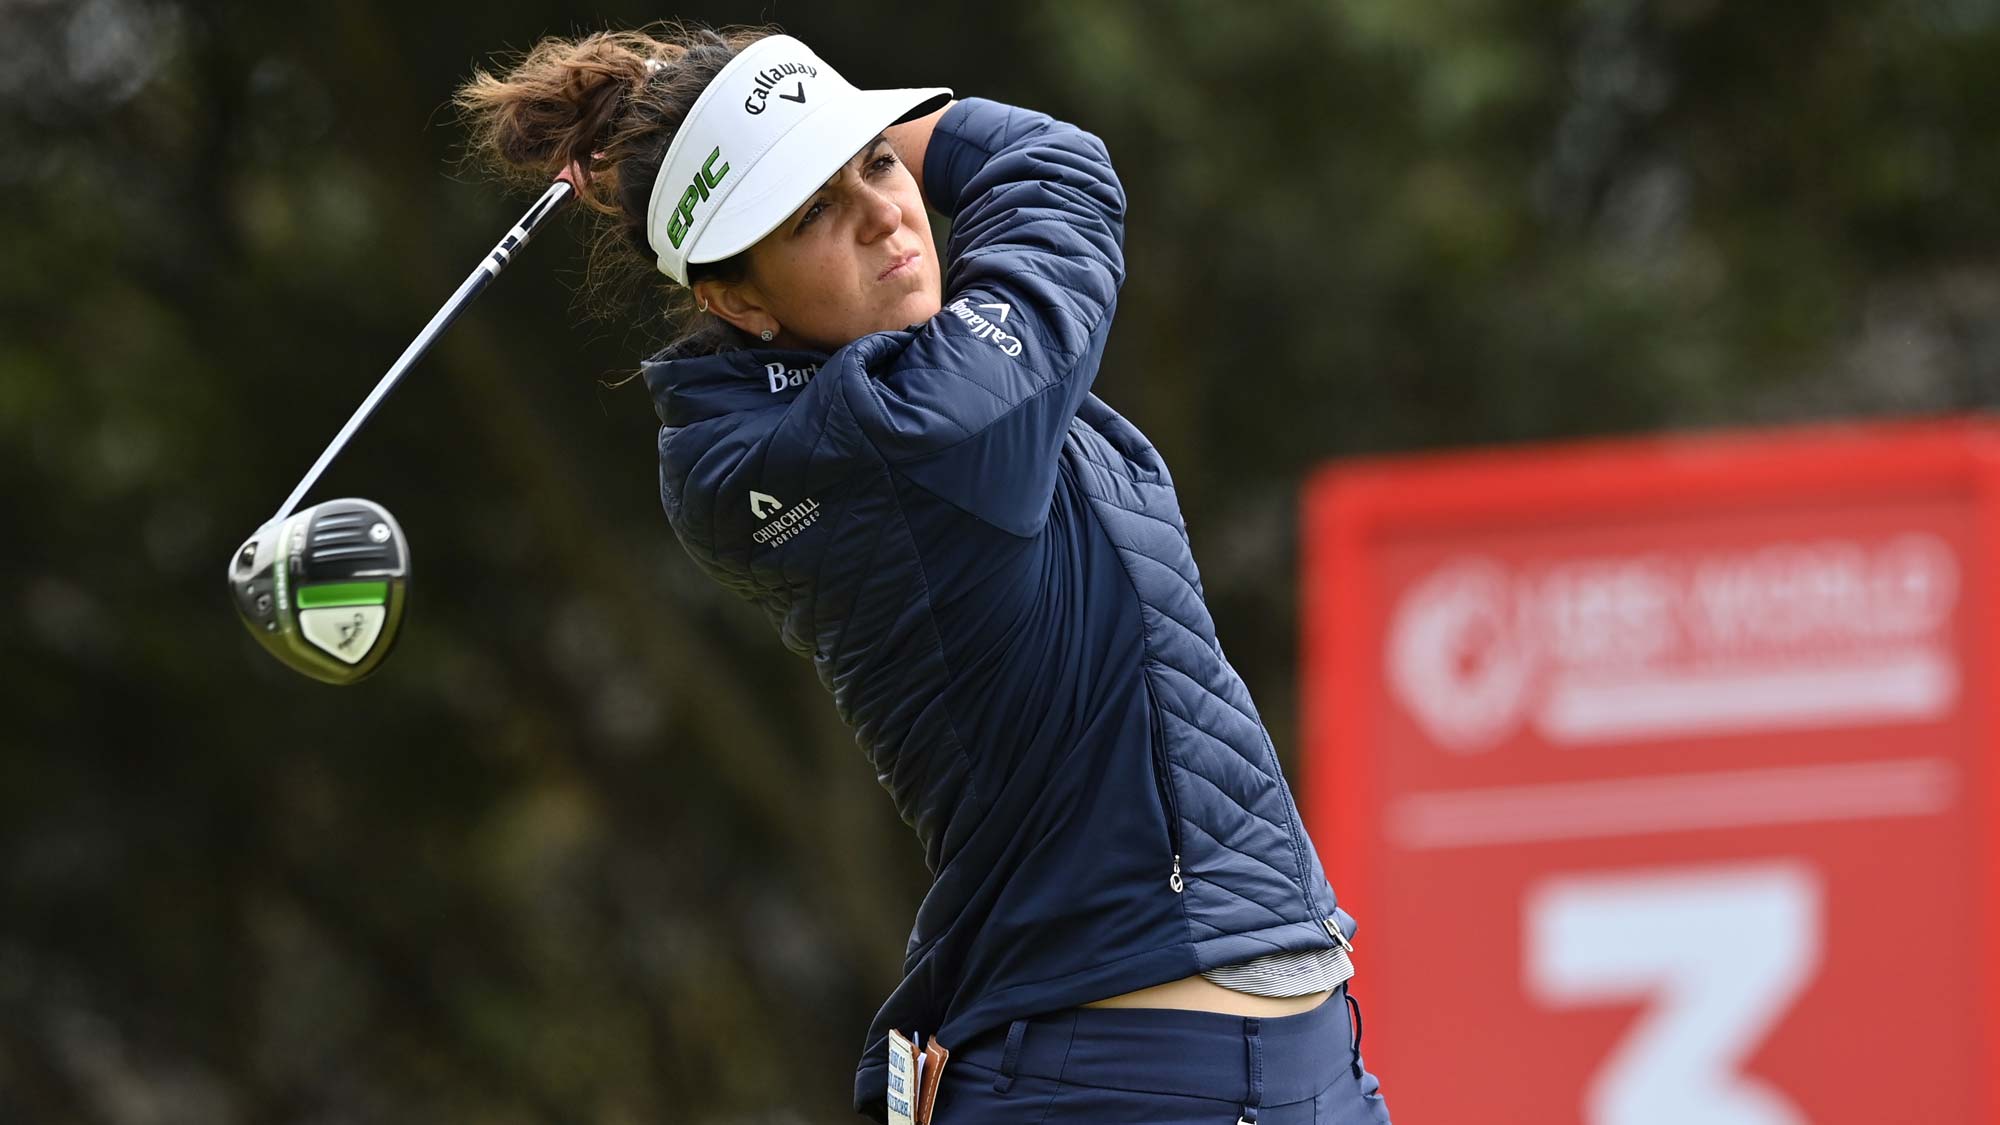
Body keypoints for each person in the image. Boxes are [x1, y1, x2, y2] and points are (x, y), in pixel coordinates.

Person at [459, 22, 1393, 1125]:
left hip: (1277, 1065)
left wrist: (760, 116)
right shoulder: (917, 424)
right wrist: (802, 115)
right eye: (809, 212)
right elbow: (1056, 171)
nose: (880, 214)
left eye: (874, 164)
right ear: (738, 301)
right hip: (1120, 1079)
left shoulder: (836, 413)